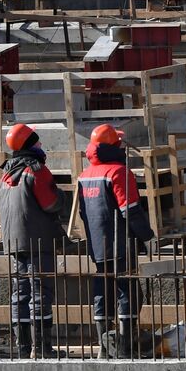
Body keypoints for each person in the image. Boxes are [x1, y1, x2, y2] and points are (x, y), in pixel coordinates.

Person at [77, 123, 157, 358]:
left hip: (98, 247)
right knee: (129, 293)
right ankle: (124, 346)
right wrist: (147, 237)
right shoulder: (118, 173)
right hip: (121, 245)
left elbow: (83, 213)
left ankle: (103, 348)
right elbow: (130, 210)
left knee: (102, 294)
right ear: (115, 145)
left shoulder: (84, 175)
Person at [0, 122, 64, 358]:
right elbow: (50, 203)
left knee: (20, 293)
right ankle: (42, 348)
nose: (41, 144)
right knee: (40, 292)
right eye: (37, 141)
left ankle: (23, 347)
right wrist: (61, 196)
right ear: (29, 145)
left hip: (13, 243)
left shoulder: (5, 174)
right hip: (38, 242)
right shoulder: (36, 171)